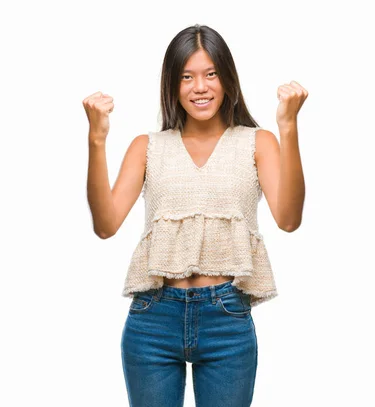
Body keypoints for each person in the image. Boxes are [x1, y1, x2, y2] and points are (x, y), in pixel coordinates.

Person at [84, 24, 307, 407]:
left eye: (210, 74)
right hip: (153, 319)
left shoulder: (257, 142)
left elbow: (288, 218)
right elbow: (105, 226)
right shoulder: (147, 147)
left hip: (227, 319)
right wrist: (97, 140)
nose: (199, 87)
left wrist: (289, 128)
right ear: (172, 84)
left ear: (227, 79)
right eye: (186, 76)